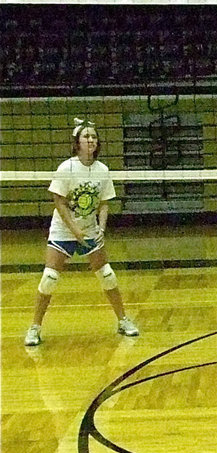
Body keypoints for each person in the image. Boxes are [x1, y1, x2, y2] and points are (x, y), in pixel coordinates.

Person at [24, 118, 139, 346]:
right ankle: (34, 328)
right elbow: (59, 201)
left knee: (107, 275)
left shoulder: (102, 170)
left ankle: (123, 320)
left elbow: (105, 203)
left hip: (89, 230)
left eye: (94, 136)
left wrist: (101, 229)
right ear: (77, 143)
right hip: (63, 231)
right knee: (49, 279)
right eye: (86, 136)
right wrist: (75, 230)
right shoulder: (66, 168)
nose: (91, 140)